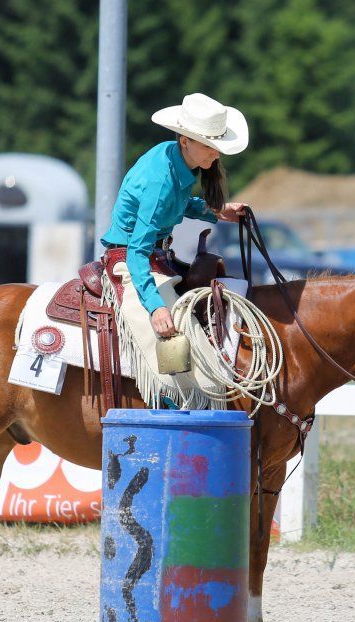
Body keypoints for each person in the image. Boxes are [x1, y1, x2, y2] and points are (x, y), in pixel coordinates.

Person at [98, 93, 248, 405]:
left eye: (217, 145)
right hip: (130, 260)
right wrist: (156, 306)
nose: (216, 154)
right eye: (209, 145)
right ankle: (178, 404)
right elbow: (137, 249)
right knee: (179, 338)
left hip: (155, 256)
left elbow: (177, 205)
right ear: (185, 140)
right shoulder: (161, 180)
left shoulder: (175, 160)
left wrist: (215, 211)